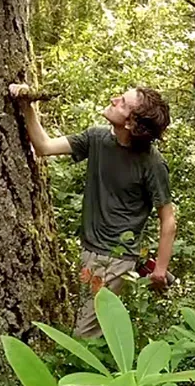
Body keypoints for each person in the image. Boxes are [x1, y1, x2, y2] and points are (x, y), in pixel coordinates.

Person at [9, 83, 176, 339]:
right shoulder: (97, 138)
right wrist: (27, 105)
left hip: (115, 260)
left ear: (131, 123)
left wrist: (160, 270)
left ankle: (82, 377)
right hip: (89, 252)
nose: (114, 98)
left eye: (122, 102)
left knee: (84, 337)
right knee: (92, 323)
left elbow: (168, 220)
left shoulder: (152, 163)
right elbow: (44, 147)